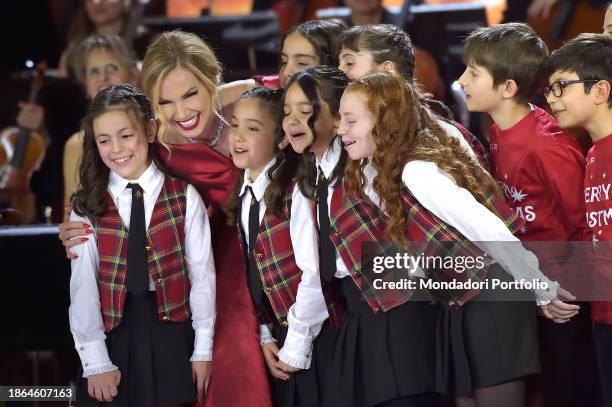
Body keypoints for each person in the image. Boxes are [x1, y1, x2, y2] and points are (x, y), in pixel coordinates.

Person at [339, 71, 578, 407]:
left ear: (384, 120)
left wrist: (539, 287)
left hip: (492, 293)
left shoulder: (416, 170)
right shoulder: (381, 169)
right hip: (463, 299)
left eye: (350, 120)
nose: (340, 129)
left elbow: (488, 228)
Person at [60, 30, 273, 406]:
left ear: (212, 81)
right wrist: (73, 228)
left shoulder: (251, 105)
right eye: (166, 101)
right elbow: (112, 188)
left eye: (191, 94)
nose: (181, 111)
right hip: (217, 261)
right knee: (233, 353)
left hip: (276, 241)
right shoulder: (155, 143)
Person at [458, 22, 598, 407]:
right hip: (533, 286)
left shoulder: (545, 144)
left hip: (566, 297)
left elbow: (582, 220)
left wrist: (567, 290)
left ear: (508, 88)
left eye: (473, 73)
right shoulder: (497, 130)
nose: (461, 81)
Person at [68, 83, 215, 406]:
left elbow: (202, 278)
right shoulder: (87, 205)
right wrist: (96, 361)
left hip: (172, 335)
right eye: (104, 140)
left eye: (125, 135)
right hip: (113, 336)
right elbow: (83, 288)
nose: (116, 149)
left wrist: (202, 350)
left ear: (150, 130)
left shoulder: (184, 197)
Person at [225, 87, 339, 406]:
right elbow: (253, 275)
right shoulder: (244, 195)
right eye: (234, 125)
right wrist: (265, 334)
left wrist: (296, 344)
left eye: (252, 128)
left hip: (313, 332)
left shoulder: (296, 192)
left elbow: (313, 273)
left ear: (281, 139)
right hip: (277, 332)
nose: (238, 136)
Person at [546, 32, 612, 407]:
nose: (553, 97)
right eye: (550, 89)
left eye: (562, 86)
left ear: (600, 91)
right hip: (603, 315)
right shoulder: (590, 155)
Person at [337, 23, 488, 168]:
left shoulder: (432, 138)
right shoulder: (371, 132)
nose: (339, 71)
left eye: (349, 63)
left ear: (387, 71)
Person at [63, 33, 138, 206]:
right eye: (94, 71)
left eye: (112, 68)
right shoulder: (76, 145)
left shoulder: (154, 130)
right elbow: (72, 217)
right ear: (85, 84)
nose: (102, 77)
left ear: (132, 75)